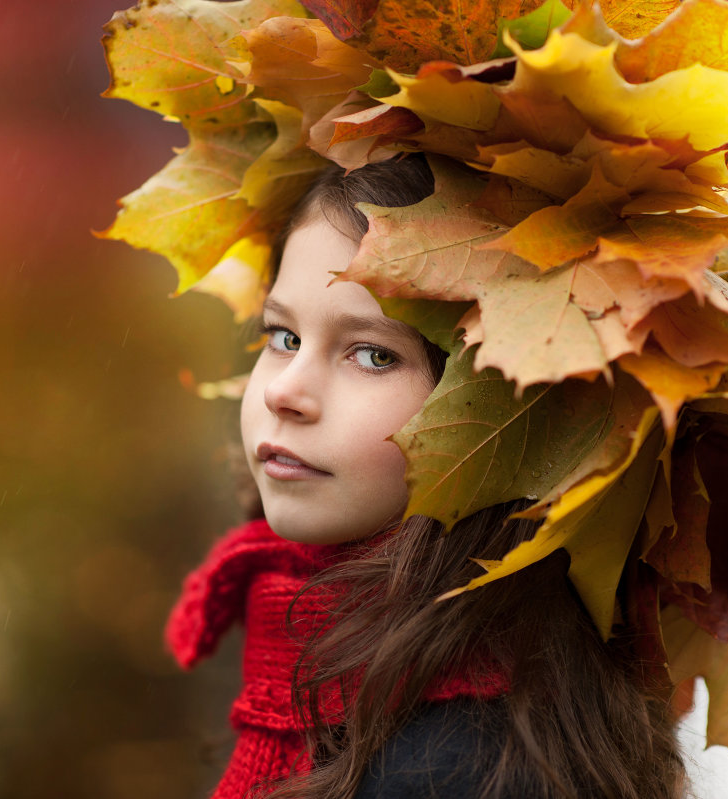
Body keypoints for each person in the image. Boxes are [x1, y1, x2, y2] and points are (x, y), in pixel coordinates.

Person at [165, 155, 688, 799]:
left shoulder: (458, 767)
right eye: (284, 337)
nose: (286, 392)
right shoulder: (311, 658)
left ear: (502, 415)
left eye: (373, 354)